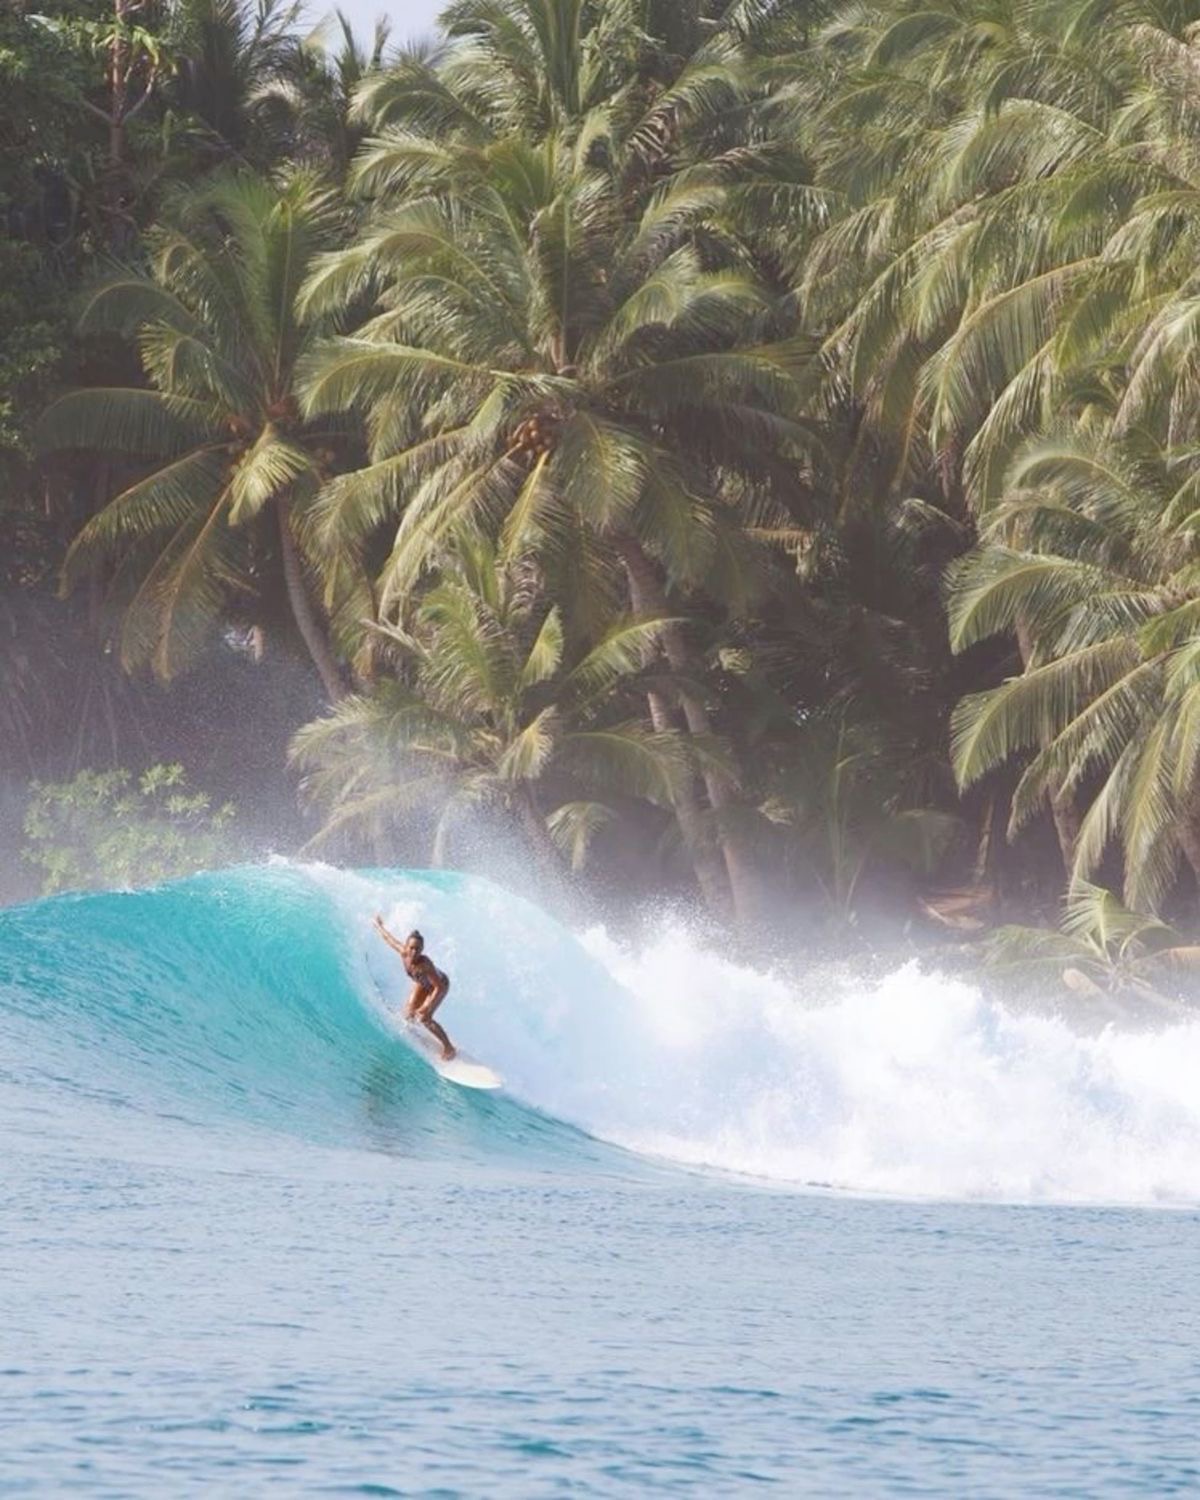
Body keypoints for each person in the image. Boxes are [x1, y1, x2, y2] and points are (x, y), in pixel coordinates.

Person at [372, 915, 456, 1061]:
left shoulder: (425, 964)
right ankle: (416, 1034)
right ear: (406, 946)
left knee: (424, 1017)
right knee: (409, 1013)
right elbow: (388, 939)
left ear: (422, 949)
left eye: (418, 949)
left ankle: (449, 1048)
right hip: (423, 982)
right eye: (411, 948)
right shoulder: (403, 953)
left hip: (440, 985)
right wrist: (379, 926)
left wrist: (427, 1006)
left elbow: (438, 987)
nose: (414, 952)